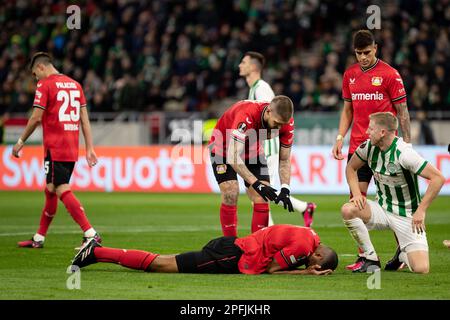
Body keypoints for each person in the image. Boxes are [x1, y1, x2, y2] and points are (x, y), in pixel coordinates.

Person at [331, 30, 412, 271]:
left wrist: (406, 144)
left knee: (395, 206)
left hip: (387, 151)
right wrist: (339, 137)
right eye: (358, 53)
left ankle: (403, 253)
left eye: (367, 53)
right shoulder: (350, 75)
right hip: (360, 148)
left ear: (375, 48)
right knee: (356, 202)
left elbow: (403, 111)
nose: (363, 58)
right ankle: (366, 257)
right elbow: (348, 110)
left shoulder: (390, 74)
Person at [13, 52, 101, 249]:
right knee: (50, 190)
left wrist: (20, 141)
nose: (36, 78)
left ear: (41, 67)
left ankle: (90, 234)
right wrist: (89, 148)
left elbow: (36, 118)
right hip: (71, 148)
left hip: (55, 147)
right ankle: (39, 238)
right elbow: (84, 120)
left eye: (35, 74)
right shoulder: (76, 85)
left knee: (61, 188)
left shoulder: (45, 85)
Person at [341, 112, 445, 273]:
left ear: (382, 132)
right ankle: (370, 258)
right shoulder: (368, 147)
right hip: (382, 209)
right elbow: (350, 168)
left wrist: (421, 210)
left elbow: (438, 178)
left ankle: (403, 254)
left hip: (407, 216)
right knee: (348, 209)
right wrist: (356, 194)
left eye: (371, 129)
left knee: (421, 269)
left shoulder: (404, 153)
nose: (367, 132)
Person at [71, 224, 338, 276]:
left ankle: (96, 252)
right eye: (311, 264)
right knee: (161, 264)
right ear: (316, 257)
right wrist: (303, 275)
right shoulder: (304, 245)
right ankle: (95, 252)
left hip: (233, 246)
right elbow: (270, 269)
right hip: (231, 256)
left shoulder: (309, 235)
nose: (306, 265)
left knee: (165, 262)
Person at [239, 51, 316, 227]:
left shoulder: (261, 88)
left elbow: (271, 119)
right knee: (257, 193)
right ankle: (304, 208)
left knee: (261, 193)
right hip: (259, 147)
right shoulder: (254, 88)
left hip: (267, 148)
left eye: (243, 62)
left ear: (253, 66)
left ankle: (270, 233)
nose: (240, 65)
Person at [208, 95, 295, 237]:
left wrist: (285, 188)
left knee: (262, 196)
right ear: (268, 112)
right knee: (230, 192)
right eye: (276, 123)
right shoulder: (246, 115)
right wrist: (256, 183)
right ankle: (229, 245)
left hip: (253, 150)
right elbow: (233, 156)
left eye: (282, 125)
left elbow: (284, 159)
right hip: (223, 149)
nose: (279, 128)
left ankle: (257, 245)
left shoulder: (286, 123)